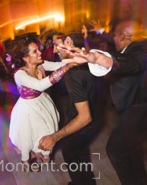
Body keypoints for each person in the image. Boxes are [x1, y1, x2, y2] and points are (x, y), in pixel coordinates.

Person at [60, 21, 147, 185]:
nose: (112, 37)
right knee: (132, 148)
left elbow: (133, 62)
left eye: (114, 34)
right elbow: (116, 40)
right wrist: (101, 31)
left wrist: (98, 57)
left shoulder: (143, 50)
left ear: (122, 36)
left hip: (141, 110)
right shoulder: (130, 44)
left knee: (115, 150)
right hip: (133, 108)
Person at [38, 32, 104, 184]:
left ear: (68, 42)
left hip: (84, 123)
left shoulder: (72, 75)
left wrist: (54, 137)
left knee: (70, 152)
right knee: (81, 154)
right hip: (96, 118)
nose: (54, 50)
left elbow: (84, 117)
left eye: (56, 45)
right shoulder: (90, 60)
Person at [8, 38, 78, 163]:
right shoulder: (19, 74)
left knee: (47, 129)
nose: (40, 53)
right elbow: (40, 85)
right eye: (35, 51)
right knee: (31, 135)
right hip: (28, 108)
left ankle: (45, 154)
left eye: (38, 50)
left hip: (43, 102)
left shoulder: (41, 64)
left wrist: (75, 59)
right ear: (25, 57)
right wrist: (66, 68)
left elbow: (58, 65)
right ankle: (32, 156)